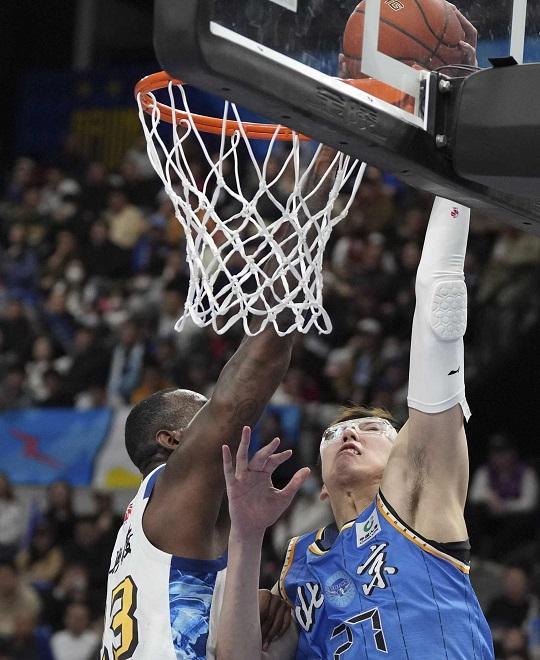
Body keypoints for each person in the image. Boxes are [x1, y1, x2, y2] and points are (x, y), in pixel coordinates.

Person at [216, 197, 495, 659]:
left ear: (402, 455)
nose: (348, 434)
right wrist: (245, 536)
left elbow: (440, 308)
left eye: (372, 429)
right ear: (322, 487)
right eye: (332, 435)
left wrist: (452, 191)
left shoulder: (420, 499)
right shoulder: (298, 568)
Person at [98, 142, 343, 659]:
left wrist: (247, 602)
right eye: (200, 410)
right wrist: (300, 230)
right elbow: (241, 392)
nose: (213, 412)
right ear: (173, 440)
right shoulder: (174, 484)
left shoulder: (153, 524)